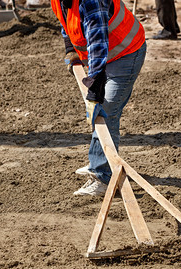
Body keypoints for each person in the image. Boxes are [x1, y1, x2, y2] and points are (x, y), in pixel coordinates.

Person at [51, 0, 147, 196]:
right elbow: (65, 20)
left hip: (125, 53)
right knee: (102, 110)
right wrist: (70, 48)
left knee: (106, 110)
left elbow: (97, 43)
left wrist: (95, 90)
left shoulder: (91, 1)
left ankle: (103, 177)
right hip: (110, 52)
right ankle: (99, 163)